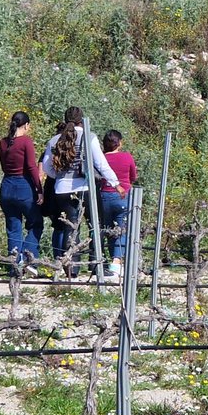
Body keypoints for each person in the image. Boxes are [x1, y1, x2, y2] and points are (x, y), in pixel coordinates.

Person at [40, 108, 121, 277]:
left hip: (61, 189)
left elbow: (47, 167)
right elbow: (101, 164)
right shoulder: (88, 137)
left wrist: (60, 176)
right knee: (95, 225)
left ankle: (72, 266)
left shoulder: (55, 140)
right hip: (85, 187)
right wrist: (116, 184)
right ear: (81, 120)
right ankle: (95, 264)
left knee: (71, 226)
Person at [0, 111, 44, 271]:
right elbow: (32, 167)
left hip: (6, 186)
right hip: (23, 186)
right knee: (36, 222)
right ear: (26, 125)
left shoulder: (3, 142)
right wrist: (39, 189)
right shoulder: (26, 141)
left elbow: (4, 167)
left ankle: (14, 263)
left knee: (13, 227)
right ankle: (28, 258)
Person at [98, 130, 137, 283]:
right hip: (123, 195)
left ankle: (110, 261)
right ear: (119, 142)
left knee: (108, 228)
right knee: (122, 228)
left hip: (105, 196)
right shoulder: (126, 156)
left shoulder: (101, 158)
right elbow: (133, 176)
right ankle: (116, 261)